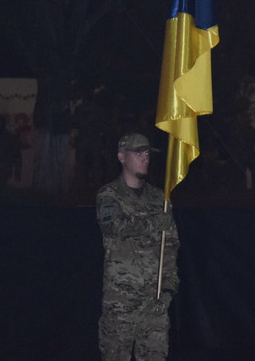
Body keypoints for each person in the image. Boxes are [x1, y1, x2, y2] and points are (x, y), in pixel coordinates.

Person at [96, 133, 179, 361]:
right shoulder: (109, 195)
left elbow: (171, 245)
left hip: (154, 302)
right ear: (122, 157)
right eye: (138, 153)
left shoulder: (159, 198)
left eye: (147, 153)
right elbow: (113, 227)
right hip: (120, 302)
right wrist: (155, 223)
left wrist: (168, 289)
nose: (145, 158)